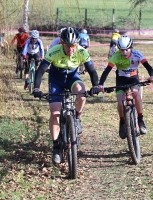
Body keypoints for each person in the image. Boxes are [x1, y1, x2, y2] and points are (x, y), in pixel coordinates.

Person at [31, 27, 100, 164]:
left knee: (81, 92)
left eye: (73, 46)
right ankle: (56, 147)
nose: (71, 49)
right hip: (56, 81)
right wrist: (37, 88)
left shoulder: (82, 51)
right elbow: (40, 71)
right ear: (62, 43)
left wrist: (96, 85)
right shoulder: (54, 51)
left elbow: (92, 71)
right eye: (68, 46)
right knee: (55, 113)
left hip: (72, 78)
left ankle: (77, 117)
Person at [98, 35, 153, 139]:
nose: (124, 52)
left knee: (136, 94)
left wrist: (152, 76)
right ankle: (122, 122)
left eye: (127, 50)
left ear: (131, 48)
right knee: (120, 103)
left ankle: (140, 119)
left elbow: (148, 66)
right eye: (122, 50)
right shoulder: (115, 56)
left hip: (133, 79)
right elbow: (107, 71)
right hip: (120, 80)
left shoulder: (137, 54)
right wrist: (101, 84)